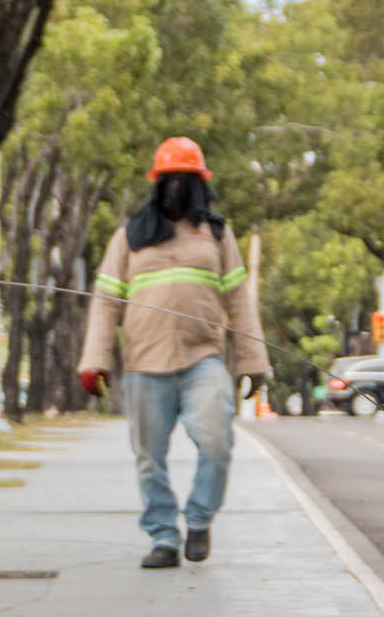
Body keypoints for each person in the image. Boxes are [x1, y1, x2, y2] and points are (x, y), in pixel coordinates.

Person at [78, 136, 271, 569]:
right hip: (145, 365)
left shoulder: (217, 234)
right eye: (170, 180)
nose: (177, 188)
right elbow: (106, 301)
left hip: (204, 360)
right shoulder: (130, 236)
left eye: (186, 180)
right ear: (157, 183)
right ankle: (163, 536)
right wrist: (95, 361)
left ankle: (199, 518)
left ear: (200, 185)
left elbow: (239, 301)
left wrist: (253, 362)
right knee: (149, 458)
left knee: (218, 442)